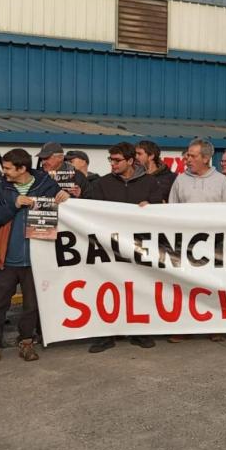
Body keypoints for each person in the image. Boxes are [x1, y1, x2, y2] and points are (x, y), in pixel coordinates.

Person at [0, 149, 69, 367]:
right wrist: (13, 205)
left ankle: (26, 341)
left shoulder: (48, 185)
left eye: (7, 168)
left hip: (37, 260)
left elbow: (68, 214)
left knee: (31, 305)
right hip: (7, 258)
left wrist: (67, 199)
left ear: (22, 168)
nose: (3, 172)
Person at [84, 142, 162, 352]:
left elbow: (160, 209)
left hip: (139, 245)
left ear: (130, 161)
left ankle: (139, 331)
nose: (113, 164)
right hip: (109, 245)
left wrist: (151, 208)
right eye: (111, 160)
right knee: (107, 287)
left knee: (138, 286)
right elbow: (92, 210)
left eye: (117, 160)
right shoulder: (101, 183)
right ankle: (105, 334)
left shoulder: (149, 182)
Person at [167, 138, 226, 343]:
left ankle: (215, 326)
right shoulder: (180, 180)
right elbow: (170, 210)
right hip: (185, 246)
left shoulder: (221, 181)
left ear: (206, 158)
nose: (187, 159)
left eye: (192, 156)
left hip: (214, 246)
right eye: (187, 155)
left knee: (214, 286)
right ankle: (184, 327)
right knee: (185, 286)